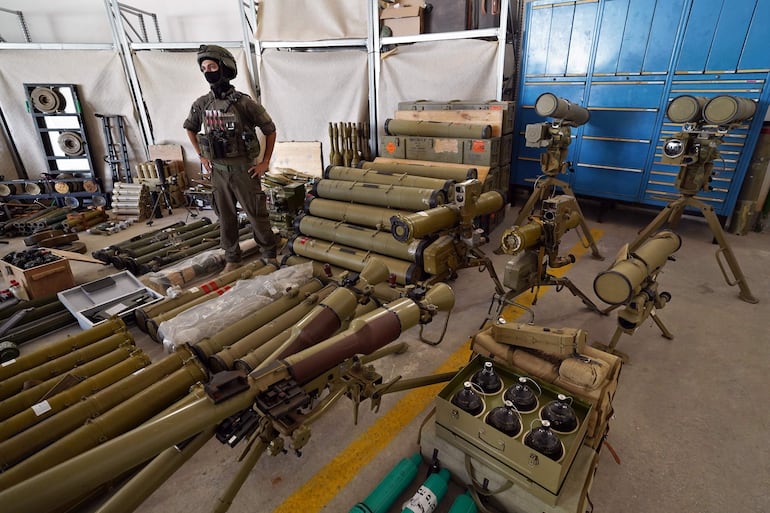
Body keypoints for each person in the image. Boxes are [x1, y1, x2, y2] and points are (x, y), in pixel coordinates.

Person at [184, 44, 278, 272]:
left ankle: (269, 253)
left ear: (225, 68)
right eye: (204, 68)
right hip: (218, 171)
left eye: (212, 66)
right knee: (225, 217)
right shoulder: (201, 104)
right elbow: (190, 128)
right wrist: (201, 156)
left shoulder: (244, 103)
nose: (208, 72)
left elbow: (270, 129)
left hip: (243, 169)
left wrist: (265, 162)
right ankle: (232, 258)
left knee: (256, 214)